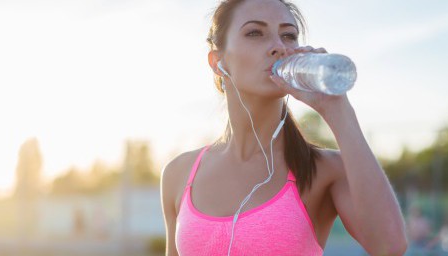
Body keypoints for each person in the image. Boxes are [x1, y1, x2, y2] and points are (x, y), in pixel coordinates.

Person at [160, 0, 407, 255]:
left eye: (288, 36)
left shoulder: (324, 170)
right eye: (255, 33)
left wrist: (338, 108)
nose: (279, 46)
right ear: (217, 61)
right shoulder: (179, 173)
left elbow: (390, 246)